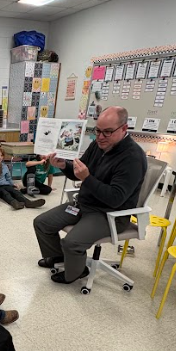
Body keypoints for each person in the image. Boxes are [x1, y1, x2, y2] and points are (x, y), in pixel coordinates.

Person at [33, 106, 147, 284]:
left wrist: (87, 178)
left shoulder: (132, 158)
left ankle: (75, 273)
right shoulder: (98, 145)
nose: (100, 137)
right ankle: (61, 258)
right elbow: (79, 172)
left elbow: (115, 198)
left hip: (109, 213)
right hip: (84, 204)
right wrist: (64, 166)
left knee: (72, 243)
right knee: (42, 223)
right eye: (98, 130)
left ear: (124, 128)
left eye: (107, 132)